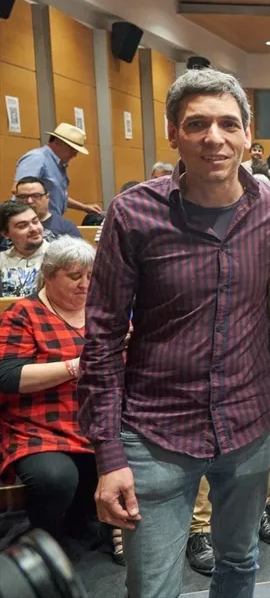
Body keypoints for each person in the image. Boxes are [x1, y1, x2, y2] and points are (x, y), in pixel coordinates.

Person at [78, 68, 270, 598]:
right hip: (155, 434)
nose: (213, 138)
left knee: (240, 562)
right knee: (152, 586)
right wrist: (109, 455)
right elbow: (100, 340)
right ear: (173, 132)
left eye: (227, 124)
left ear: (246, 132)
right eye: (197, 124)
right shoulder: (134, 214)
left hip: (247, 425)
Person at [0, 237, 124, 563]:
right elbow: (8, 377)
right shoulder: (23, 314)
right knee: (55, 479)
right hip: (40, 422)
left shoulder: (104, 311)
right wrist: (77, 366)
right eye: (74, 277)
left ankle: (109, 523)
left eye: (90, 276)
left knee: (147, 450)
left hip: (100, 415)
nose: (85, 284)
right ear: (50, 274)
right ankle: (46, 542)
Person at [13, 123, 102, 218]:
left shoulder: (57, 164)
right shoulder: (36, 158)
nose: (75, 154)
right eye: (72, 149)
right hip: (35, 223)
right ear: (57, 142)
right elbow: (17, 190)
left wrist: (84, 207)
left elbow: (57, 196)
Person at [0, 201, 48, 297]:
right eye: (22, 226)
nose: (34, 229)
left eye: (35, 221)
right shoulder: (1, 259)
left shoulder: (61, 257)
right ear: (5, 234)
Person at [13, 177, 81, 239]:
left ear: (47, 198)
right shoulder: (9, 226)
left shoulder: (66, 228)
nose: (29, 201)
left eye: (36, 195)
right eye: (23, 197)